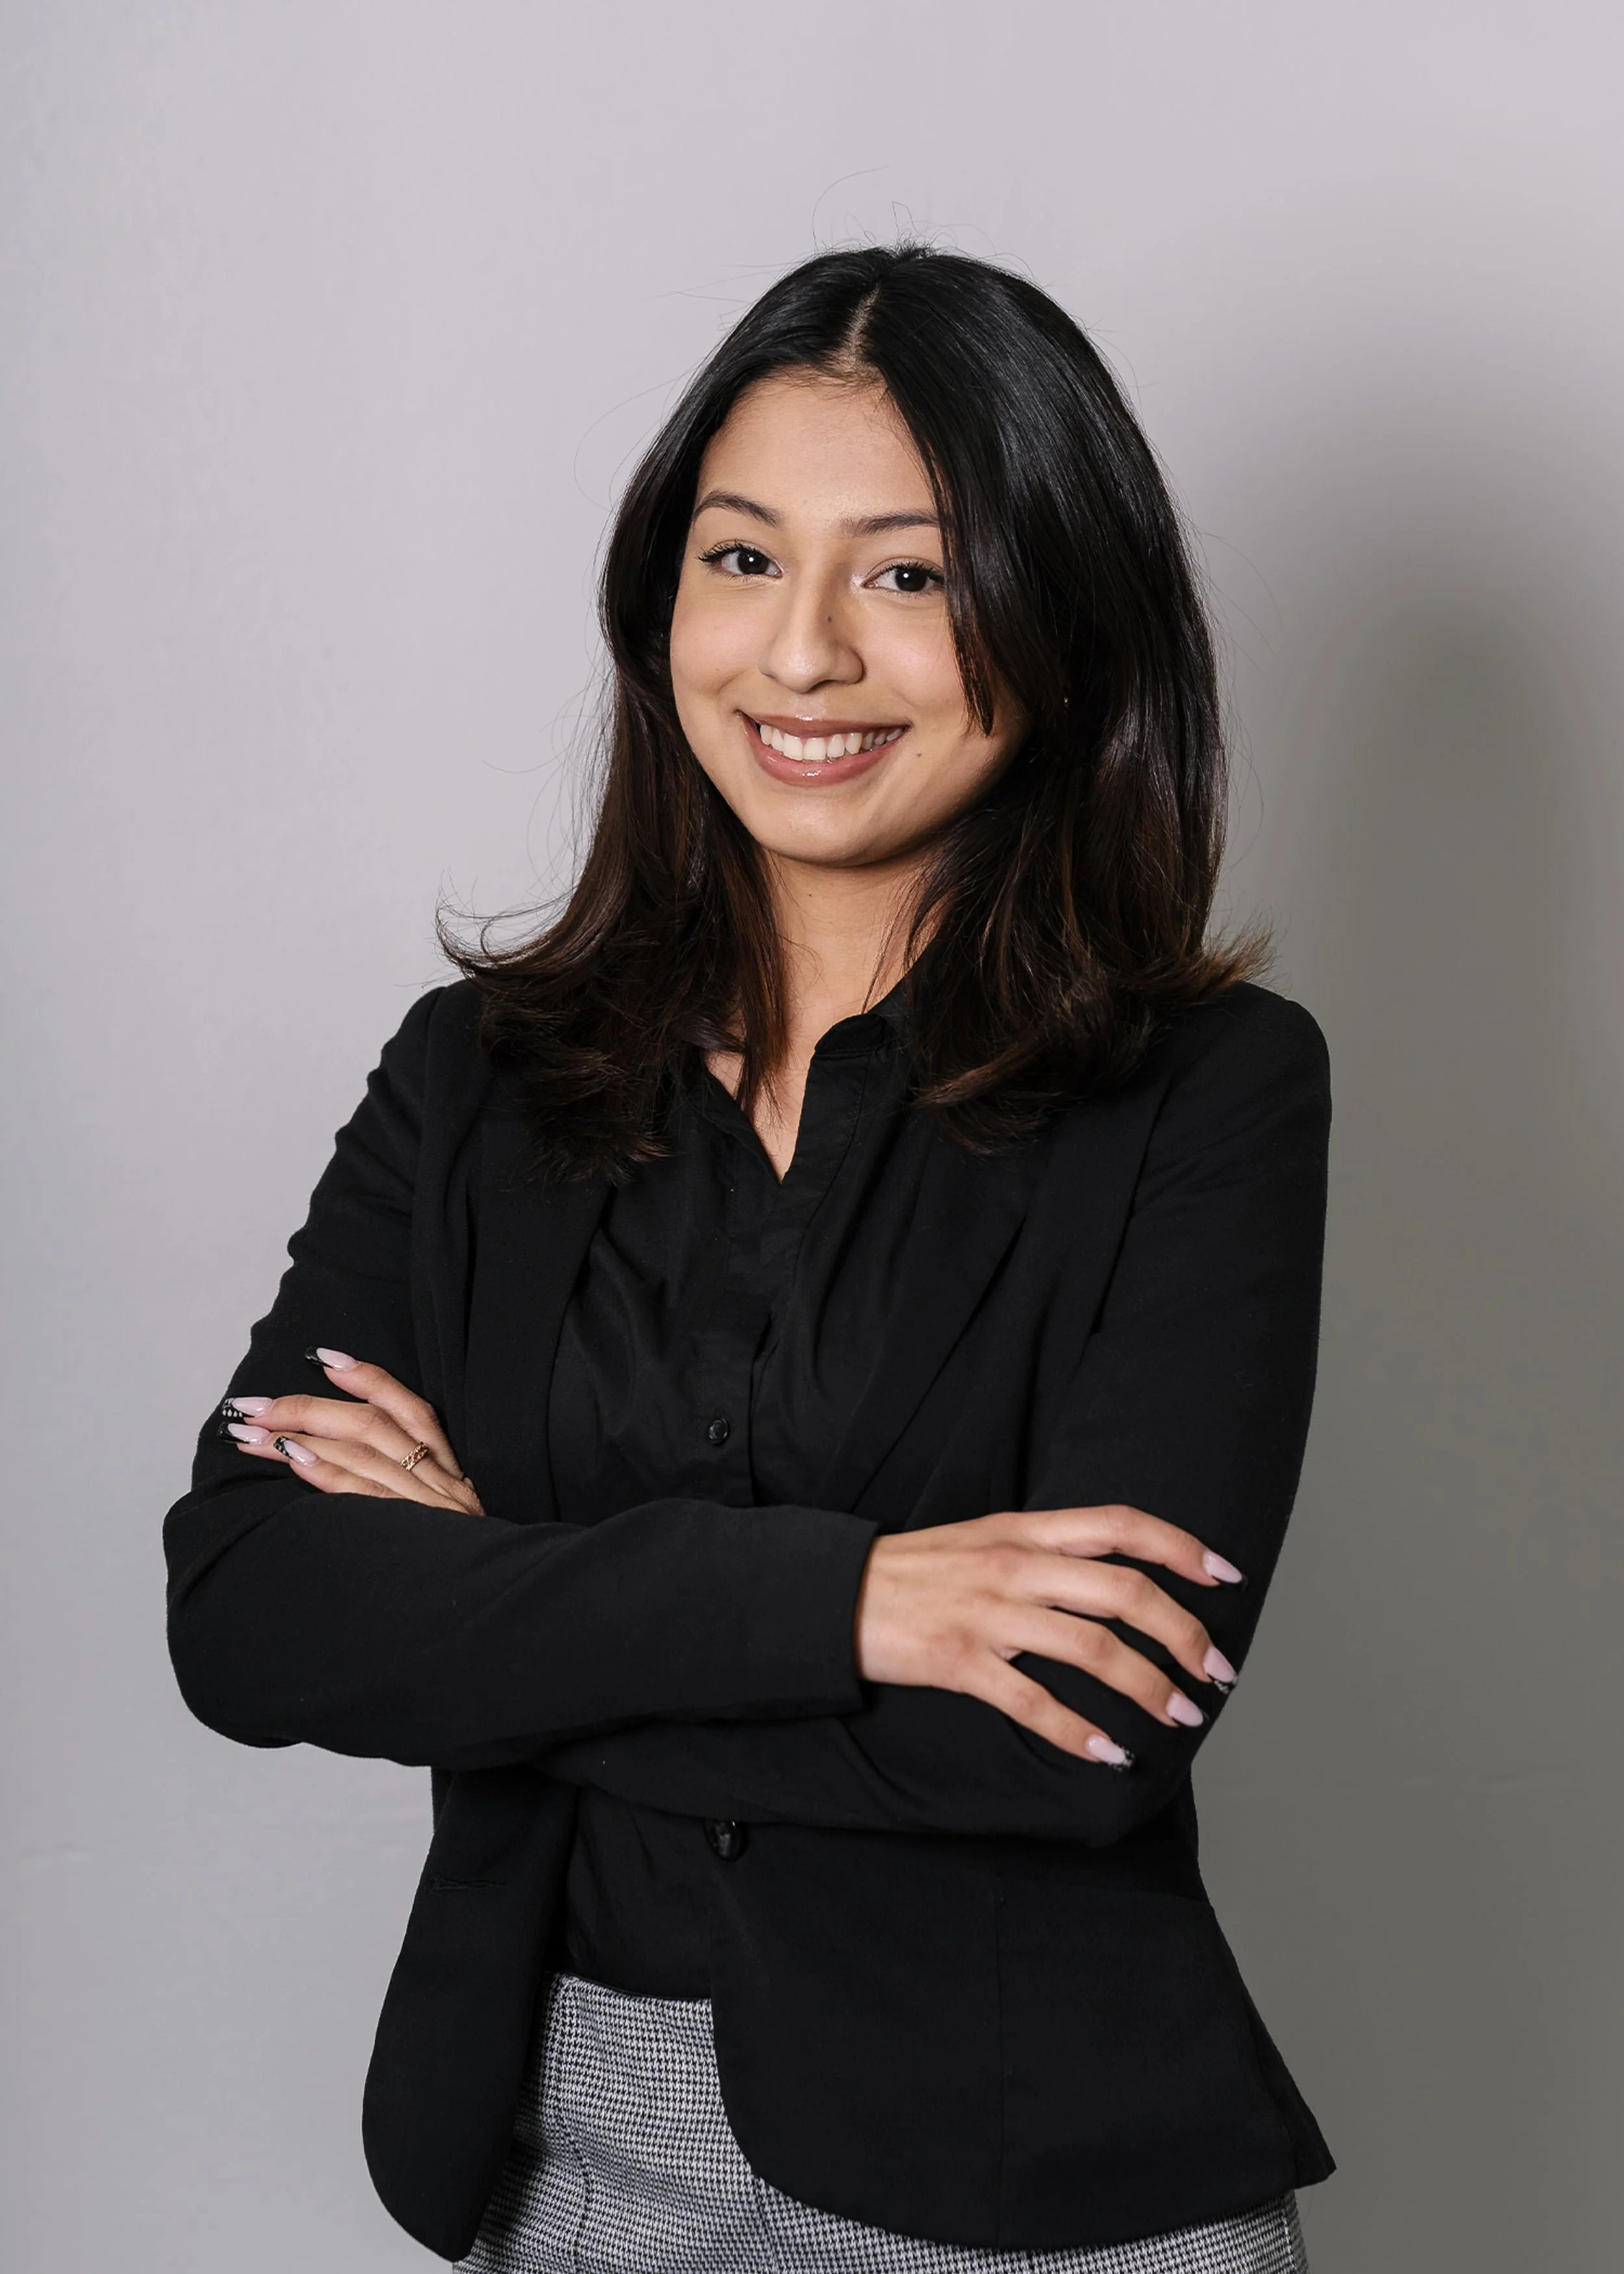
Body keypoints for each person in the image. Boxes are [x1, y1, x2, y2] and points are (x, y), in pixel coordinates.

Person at [165, 244, 1334, 2274]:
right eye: (738, 558)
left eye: (904, 572)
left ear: (1063, 621)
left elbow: (1072, 1723)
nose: (800, 655)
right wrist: (856, 1600)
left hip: (1034, 2197)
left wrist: (482, 1618)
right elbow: (251, 1608)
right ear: (659, 601)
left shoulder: (1207, 1095)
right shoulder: (476, 1082)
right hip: (546, 2170)